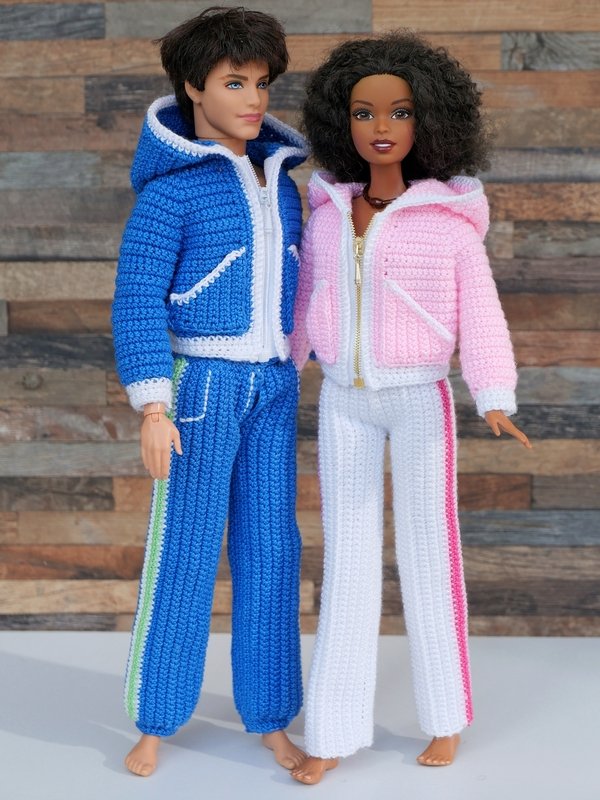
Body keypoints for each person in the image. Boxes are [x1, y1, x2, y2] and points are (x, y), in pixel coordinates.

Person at [289, 31, 531, 785]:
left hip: (422, 397)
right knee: (348, 561)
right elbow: (305, 299)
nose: (381, 127)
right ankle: (332, 728)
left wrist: (494, 395)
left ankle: (446, 716)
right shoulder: (328, 213)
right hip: (343, 399)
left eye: (400, 112)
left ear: (430, 120)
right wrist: (284, 367)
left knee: (430, 552)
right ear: (342, 122)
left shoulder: (449, 223)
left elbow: (481, 314)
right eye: (364, 113)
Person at [111, 6, 308, 777]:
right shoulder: (171, 195)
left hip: (274, 387)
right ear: (194, 87)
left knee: (272, 553)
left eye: (262, 83)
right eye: (234, 82)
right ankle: (155, 719)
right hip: (200, 387)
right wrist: (152, 405)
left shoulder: (284, 185)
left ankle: (271, 717)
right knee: (185, 553)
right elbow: (136, 300)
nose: (253, 99)